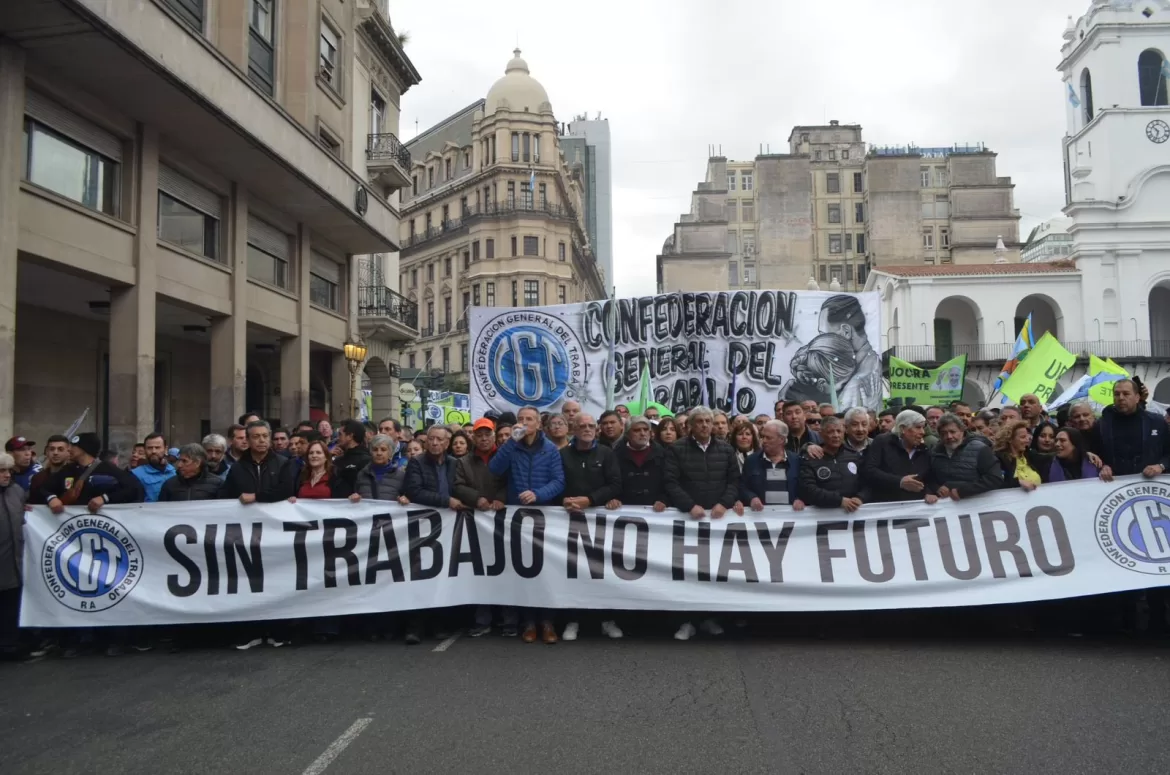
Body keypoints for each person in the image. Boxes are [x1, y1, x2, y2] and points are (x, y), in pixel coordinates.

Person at [490, 406, 565, 644]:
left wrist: (538, 494)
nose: (523, 422)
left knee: (545, 570)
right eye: (520, 419)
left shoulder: (550, 449)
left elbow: (559, 481)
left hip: (544, 515)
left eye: (528, 419)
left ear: (539, 424)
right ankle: (529, 622)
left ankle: (547, 621)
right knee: (523, 569)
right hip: (518, 516)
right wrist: (511, 442)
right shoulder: (512, 447)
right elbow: (494, 468)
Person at [663, 406, 739, 641]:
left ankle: (709, 618)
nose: (706, 425)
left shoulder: (726, 449)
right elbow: (670, 482)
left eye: (709, 421)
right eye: (701, 422)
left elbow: (735, 481)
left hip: (717, 521)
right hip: (689, 520)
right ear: (691, 426)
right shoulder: (677, 449)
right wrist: (689, 506)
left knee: (714, 572)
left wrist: (724, 504)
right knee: (688, 573)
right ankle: (686, 621)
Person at [559, 414, 623, 641]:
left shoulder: (607, 454)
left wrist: (591, 499)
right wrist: (563, 500)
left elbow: (615, 484)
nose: (586, 429)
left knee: (602, 572)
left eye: (590, 426)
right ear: (573, 430)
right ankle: (573, 620)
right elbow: (558, 482)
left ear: (597, 430)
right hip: (571, 522)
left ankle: (606, 620)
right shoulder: (563, 454)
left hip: (601, 523)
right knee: (574, 572)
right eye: (581, 426)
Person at [454, 418, 510, 638]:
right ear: (473, 437)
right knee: (480, 571)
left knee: (507, 570)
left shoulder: (505, 457)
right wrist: (477, 499)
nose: (484, 438)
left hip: (502, 521)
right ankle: (482, 619)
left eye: (488, 434)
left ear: (494, 436)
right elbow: (458, 485)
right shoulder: (464, 462)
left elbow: (511, 481)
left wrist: (500, 498)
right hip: (475, 522)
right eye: (480, 435)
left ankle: (509, 620)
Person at [40, 433, 143, 515]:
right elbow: (44, 488)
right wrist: (52, 499)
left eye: (74, 446)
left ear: (84, 449)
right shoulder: (68, 470)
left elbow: (133, 488)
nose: (69, 449)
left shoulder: (107, 468)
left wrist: (105, 498)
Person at [1091, 379, 1170, 481]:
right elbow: (1094, 454)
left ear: (1137, 397)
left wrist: (1160, 466)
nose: (1121, 398)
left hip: (1150, 484)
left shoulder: (1157, 422)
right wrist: (1103, 466)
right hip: (1114, 487)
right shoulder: (1102, 424)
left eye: (1126, 394)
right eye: (1117, 394)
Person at [817, 294, 880, 408]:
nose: (822, 343)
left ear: (846, 331)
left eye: (824, 335)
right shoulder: (868, 363)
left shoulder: (857, 384)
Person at [925, 414, 1003, 503]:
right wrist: (936, 488)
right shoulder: (934, 452)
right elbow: (929, 478)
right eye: (944, 433)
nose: (949, 436)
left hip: (977, 505)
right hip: (946, 509)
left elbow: (994, 478)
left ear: (962, 431)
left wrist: (962, 491)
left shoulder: (980, 449)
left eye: (952, 432)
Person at [797, 416, 868, 512]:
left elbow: (868, 482)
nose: (836, 435)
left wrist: (860, 497)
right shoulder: (811, 458)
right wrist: (839, 501)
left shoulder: (854, 456)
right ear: (821, 434)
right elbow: (808, 490)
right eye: (830, 432)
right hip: (823, 517)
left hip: (854, 514)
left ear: (844, 433)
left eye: (839, 431)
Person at [219, 421, 294, 507]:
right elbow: (226, 494)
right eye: (256, 436)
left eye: (265, 436)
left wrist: (256, 497)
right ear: (247, 440)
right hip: (247, 517)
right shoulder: (237, 467)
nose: (262, 440)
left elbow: (286, 490)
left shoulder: (282, 462)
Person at [862, 410, 931, 502]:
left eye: (923, 428)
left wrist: (929, 492)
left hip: (916, 508)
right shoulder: (882, 442)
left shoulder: (924, 449)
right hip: (886, 507)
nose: (922, 432)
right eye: (918, 427)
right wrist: (900, 481)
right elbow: (869, 470)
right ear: (903, 428)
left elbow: (930, 477)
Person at [0, 452, 27, 661]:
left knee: (10, 606)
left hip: (13, 562)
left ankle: (9, 645)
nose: (7, 475)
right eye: (2, 471)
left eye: (9, 470)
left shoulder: (16, 492)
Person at [609, 416, 669, 511]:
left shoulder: (663, 453)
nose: (642, 433)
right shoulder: (615, 454)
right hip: (623, 509)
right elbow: (610, 481)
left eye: (645, 430)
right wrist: (613, 498)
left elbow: (670, 481)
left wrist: (664, 500)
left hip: (655, 511)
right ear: (628, 434)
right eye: (637, 430)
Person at [740, 420, 802, 510]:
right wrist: (751, 498)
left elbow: (805, 486)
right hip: (761, 517)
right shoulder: (751, 460)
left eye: (768, 438)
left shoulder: (796, 460)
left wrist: (799, 499)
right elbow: (742, 486)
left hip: (790, 516)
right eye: (762, 437)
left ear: (781, 439)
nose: (764, 441)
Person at [995, 421, 1050, 491]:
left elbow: (1048, 457)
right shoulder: (999, 459)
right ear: (1010, 439)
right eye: (1023, 437)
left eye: (1027, 436)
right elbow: (996, 483)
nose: (1027, 440)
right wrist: (1018, 482)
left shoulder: (1029, 455)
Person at [353, 434, 408, 503]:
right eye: (375, 449)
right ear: (370, 452)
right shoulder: (362, 474)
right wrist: (354, 498)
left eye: (383, 450)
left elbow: (408, 498)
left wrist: (405, 500)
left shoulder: (401, 476)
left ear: (390, 453)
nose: (379, 453)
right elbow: (356, 495)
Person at [159, 444, 223, 501]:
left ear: (197, 463)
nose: (179, 465)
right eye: (179, 460)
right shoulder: (169, 484)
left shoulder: (217, 484)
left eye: (184, 461)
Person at [130, 432, 176, 503]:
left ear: (166, 449)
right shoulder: (136, 474)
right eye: (149, 448)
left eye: (157, 447)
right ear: (145, 450)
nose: (153, 451)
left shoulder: (174, 471)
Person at [28, 435, 71, 502]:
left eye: (60, 449)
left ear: (68, 452)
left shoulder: (76, 475)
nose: (55, 453)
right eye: (52, 449)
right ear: (47, 452)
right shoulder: (38, 478)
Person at [333, 420, 371, 495]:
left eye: (340, 434)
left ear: (350, 436)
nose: (337, 438)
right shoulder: (338, 460)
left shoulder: (366, 460)